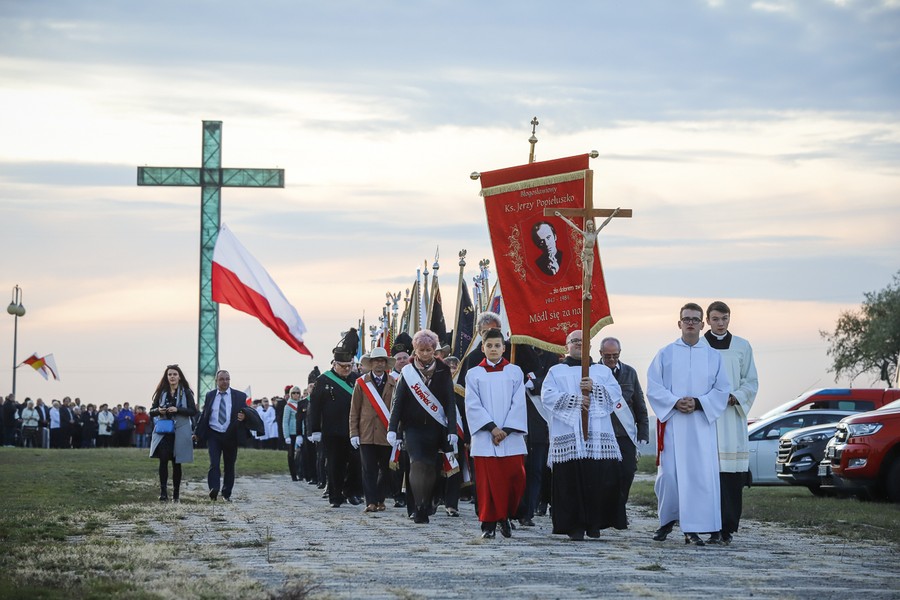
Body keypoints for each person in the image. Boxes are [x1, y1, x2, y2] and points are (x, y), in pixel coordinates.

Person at [647, 302, 730, 546]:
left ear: (702, 324)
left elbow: (723, 388)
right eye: (687, 319)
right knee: (670, 476)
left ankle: (696, 527)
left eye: (695, 319)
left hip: (701, 425)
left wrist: (699, 403)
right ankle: (667, 521)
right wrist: (674, 402)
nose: (691, 323)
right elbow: (654, 385)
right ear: (679, 323)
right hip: (674, 425)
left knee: (699, 476)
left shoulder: (713, 356)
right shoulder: (666, 353)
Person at [542, 329, 626, 540]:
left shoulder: (602, 371)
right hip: (569, 432)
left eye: (583, 341)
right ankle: (574, 526)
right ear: (566, 346)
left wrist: (595, 388)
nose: (579, 344)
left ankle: (595, 524)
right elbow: (547, 397)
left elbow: (615, 395)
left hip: (597, 434)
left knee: (598, 479)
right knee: (570, 481)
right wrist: (576, 400)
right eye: (575, 341)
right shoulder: (556, 371)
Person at [388, 329, 457, 524]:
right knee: (417, 464)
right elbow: (398, 402)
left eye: (429, 350)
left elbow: (450, 402)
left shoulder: (443, 371)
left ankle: (427, 502)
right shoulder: (407, 372)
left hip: (436, 428)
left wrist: (451, 429)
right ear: (415, 350)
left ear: (434, 350)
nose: (425, 354)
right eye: (421, 350)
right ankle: (419, 507)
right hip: (413, 428)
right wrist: (393, 429)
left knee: (431, 468)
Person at [464, 328, 528, 539]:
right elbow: (473, 405)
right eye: (489, 345)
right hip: (485, 436)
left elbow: (519, 403)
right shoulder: (474, 374)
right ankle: (488, 524)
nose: (493, 349)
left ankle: (505, 516)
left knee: (515, 479)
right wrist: (492, 428)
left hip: (511, 437)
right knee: (487, 483)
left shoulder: (515, 372)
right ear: (482, 348)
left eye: (497, 345)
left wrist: (506, 430)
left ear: (504, 348)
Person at [704, 300, 759, 545]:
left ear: (729, 319)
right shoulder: (698, 346)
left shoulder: (742, 346)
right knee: (707, 476)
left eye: (724, 319)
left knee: (729, 476)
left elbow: (751, 381)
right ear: (707, 320)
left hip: (732, 417)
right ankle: (706, 526)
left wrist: (735, 396)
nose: (720, 323)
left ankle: (727, 528)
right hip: (705, 418)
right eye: (715, 319)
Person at [308, 330, 362, 508]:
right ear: (334, 364)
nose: (347, 369)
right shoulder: (323, 380)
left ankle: (351, 492)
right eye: (343, 366)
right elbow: (314, 407)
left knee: (355, 463)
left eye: (349, 366)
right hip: (331, 431)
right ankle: (335, 496)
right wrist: (314, 430)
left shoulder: (356, 380)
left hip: (353, 430)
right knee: (334, 465)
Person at [599, 337, 650, 516]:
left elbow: (639, 404)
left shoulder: (630, 372)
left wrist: (643, 432)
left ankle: (619, 507)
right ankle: (612, 513)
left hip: (625, 435)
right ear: (600, 354)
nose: (612, 360)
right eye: (608, 356)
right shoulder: (594, 373)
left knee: (627, 473)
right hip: (603, 435)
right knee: (606, 477)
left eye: (615, 356)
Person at [349, 347, 397, 513]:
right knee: (368, 469)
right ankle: (370, 501)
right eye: (376, 361)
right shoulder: (361, 383)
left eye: (382, 361)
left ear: (386, 364)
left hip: (386, 432)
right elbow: (354, 410)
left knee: (385, 469)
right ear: (370, 363)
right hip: (366, 432)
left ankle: (380, 499)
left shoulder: (393, 382)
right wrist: (354, 433)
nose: (379, 364)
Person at [194, 369, 247, 501]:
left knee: (229, 465)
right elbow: (205, 415)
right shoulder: (210, 395)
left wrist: (244, 415)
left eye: (227, 379)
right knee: (214, 463)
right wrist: (197, 432)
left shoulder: (239, 396)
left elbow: (248, 411)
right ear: (216, 381)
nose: (225, 382)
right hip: (214, 434)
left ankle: (226, 493)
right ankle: (214, 489)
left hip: (231, 434)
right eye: (222, 379)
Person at [149, 365, 197, 502]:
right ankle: (163, 492)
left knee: (177, 463)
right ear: (166, 377)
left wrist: (178, 409)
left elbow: (193, 411)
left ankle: (176, 493)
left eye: (175, 374)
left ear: (179, 376)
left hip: (180, 430)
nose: (172, 377)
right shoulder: (162, 392)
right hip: (164, 431)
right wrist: (159, 410)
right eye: (169, 374)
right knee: (163, 461)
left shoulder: (186, 392)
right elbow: (151, 411)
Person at [283, 386, 303, 481]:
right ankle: (293, 475)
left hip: (301, 432)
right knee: (291, 455)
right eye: (294, 393)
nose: (296, 395)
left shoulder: (302, 404)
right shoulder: (288, 406)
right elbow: (285, 421)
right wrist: (286, 435)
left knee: (301, 455)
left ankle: (301, 473)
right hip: (291, 433)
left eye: (298, 393)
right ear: (291, 394)